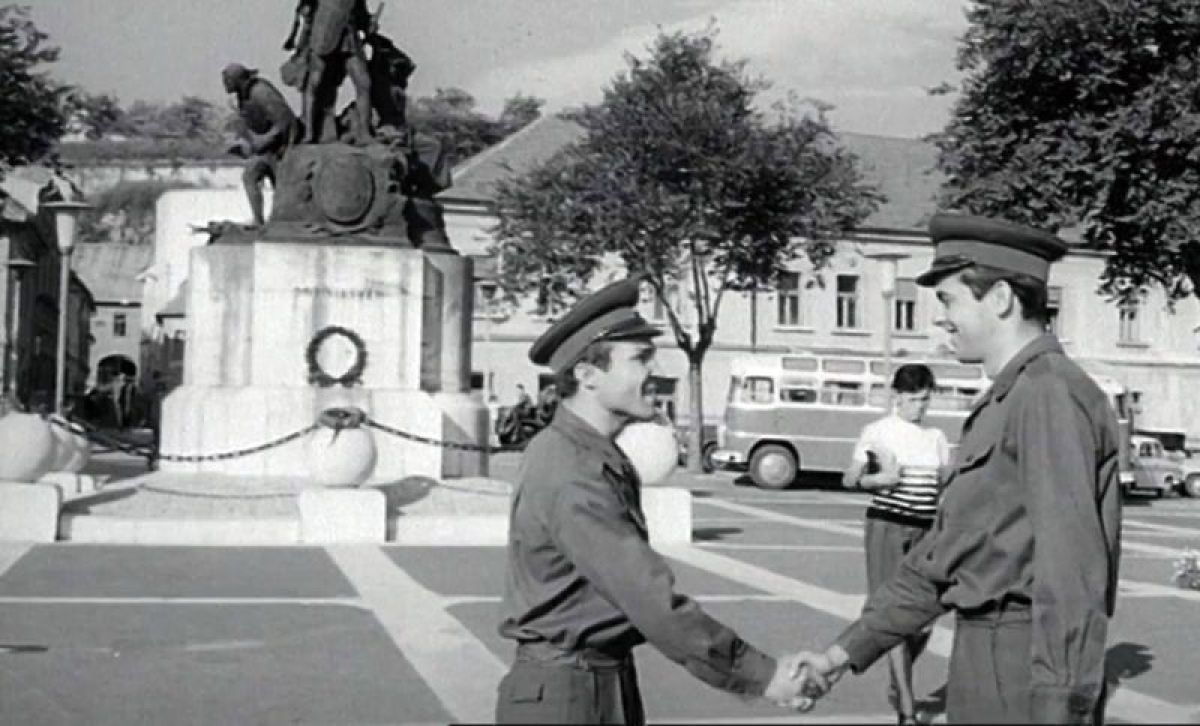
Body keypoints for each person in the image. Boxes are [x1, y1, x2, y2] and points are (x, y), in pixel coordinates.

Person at [797, 214, 1123, 724]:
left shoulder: (1048, 395)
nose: (942, 319)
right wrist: (839, 656)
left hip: (1023, 667)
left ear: (1001, 299)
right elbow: (944, 558)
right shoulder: (1008, 399)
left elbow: (1071, 573)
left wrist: (1060, 706)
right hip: (984, 656)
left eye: (949, 300)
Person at [495, 277, 819, 723]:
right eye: (639, 358)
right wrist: (764, 675)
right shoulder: (574, 471)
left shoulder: (584, 454)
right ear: (588, 376)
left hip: (592, 681)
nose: (655, 370)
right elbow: (650, 600)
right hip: (570, 693)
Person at [842, 363, 950, 724]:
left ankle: (897, 678)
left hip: (925, 529)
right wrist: (878, 480)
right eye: (915, 399)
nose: (921, 407)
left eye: (925, 400)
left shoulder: (936, 437)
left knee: (925, 615)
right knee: (892, 611)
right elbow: (850, 479)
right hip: (887, 526)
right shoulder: (877, 432)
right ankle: (906, 704)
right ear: (898, 397)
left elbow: (944, 486)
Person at [221, 63, 302, 227]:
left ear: (238, 79)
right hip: (265, 150)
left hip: (281, 147)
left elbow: (285, 120)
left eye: (227, 80)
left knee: (280, 186)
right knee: (250, 176)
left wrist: (265, 140)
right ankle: (259, 221)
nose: (225, 84)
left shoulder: (261, 92)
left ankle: (283, 221)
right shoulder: (243, 96)